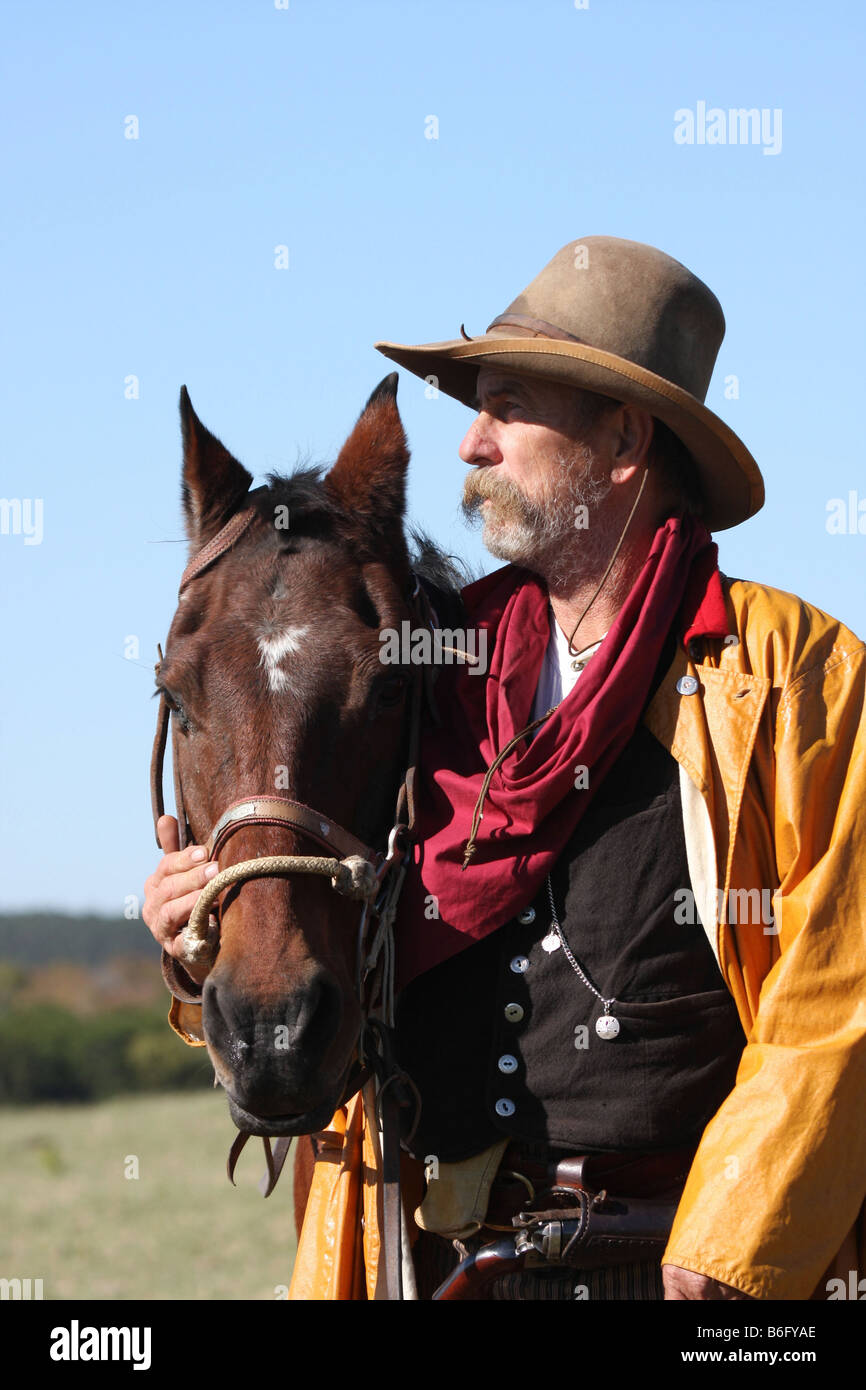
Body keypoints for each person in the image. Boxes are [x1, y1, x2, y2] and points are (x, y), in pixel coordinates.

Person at [144, 237, 866, 1301]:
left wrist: (728, 1254)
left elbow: (836, 1002)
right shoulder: (426, 671)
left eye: (507, 408)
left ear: (622, 438)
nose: (469, 446)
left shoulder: (795, 677)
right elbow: (319, 961)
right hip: (441, 1269)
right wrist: (198, 934)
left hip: (677, 1275)